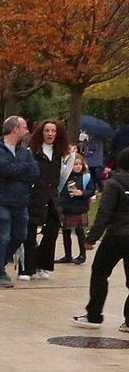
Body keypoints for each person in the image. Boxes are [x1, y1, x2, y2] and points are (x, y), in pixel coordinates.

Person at [73, 149, 129, 331]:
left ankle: (94, 315)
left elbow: (104, 215)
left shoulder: (114, 184)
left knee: (100, 272)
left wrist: (91, 239)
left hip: (116, 236)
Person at [0, 116, 38, 289]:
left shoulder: (24, 151)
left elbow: (34, 172)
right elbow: (7, 169)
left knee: (21, 235)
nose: (27, 131)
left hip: (20, 201)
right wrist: (21, 169)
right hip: (0, 199)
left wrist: (17, 170)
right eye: (24, 127)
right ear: (15, 129)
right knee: (2, 236)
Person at [23, 119, 72, 279]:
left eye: (53, 131)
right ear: (41, 132)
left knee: (52, 231)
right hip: (35, 196)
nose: (50, 134)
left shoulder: (60, 154)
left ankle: (42, 264)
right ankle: (26, 269)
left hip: (52, 196)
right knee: (29, 233)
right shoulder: (32, 151)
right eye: (47, 131)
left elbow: (63, 175)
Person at [60, 153, 97, 265]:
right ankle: (67, 255)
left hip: (80, 208)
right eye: (75, 164)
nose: (78, 166)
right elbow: (61, 191)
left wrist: (82, 193)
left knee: (80, 232)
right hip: (68, 207)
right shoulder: (66, 178)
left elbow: (91, 191)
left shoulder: (86, 177)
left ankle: (82, 254)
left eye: (80, 164)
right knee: (66, 232)